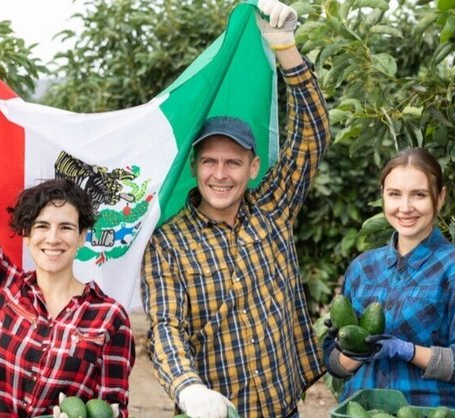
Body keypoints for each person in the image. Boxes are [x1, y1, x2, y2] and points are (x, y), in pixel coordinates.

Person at [139, 1, 332, 417]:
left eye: (233, 162)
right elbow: (166, 328)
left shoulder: (273, 208)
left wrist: (286, 50)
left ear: (253, 166)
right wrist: (188, 389)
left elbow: (312, 134)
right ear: (194, 167)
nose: (220, 174)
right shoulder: (169, 243)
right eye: (210, 161)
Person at [0, 61, 134, 418]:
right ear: (27, 235)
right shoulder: (6, 289)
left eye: (66, 227)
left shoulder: (109, 318)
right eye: (42, 227)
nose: (53, 238)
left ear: (82, 238)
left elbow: (114, 408)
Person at [322, 148, 455, 408]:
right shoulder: (362, 268)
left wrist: (409, 351)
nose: (405, 208)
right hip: (359, 413)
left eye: (419, 195)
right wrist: (352, 350)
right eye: (394, 194)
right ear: (383, 196)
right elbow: (335, 365)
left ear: (441, 197)